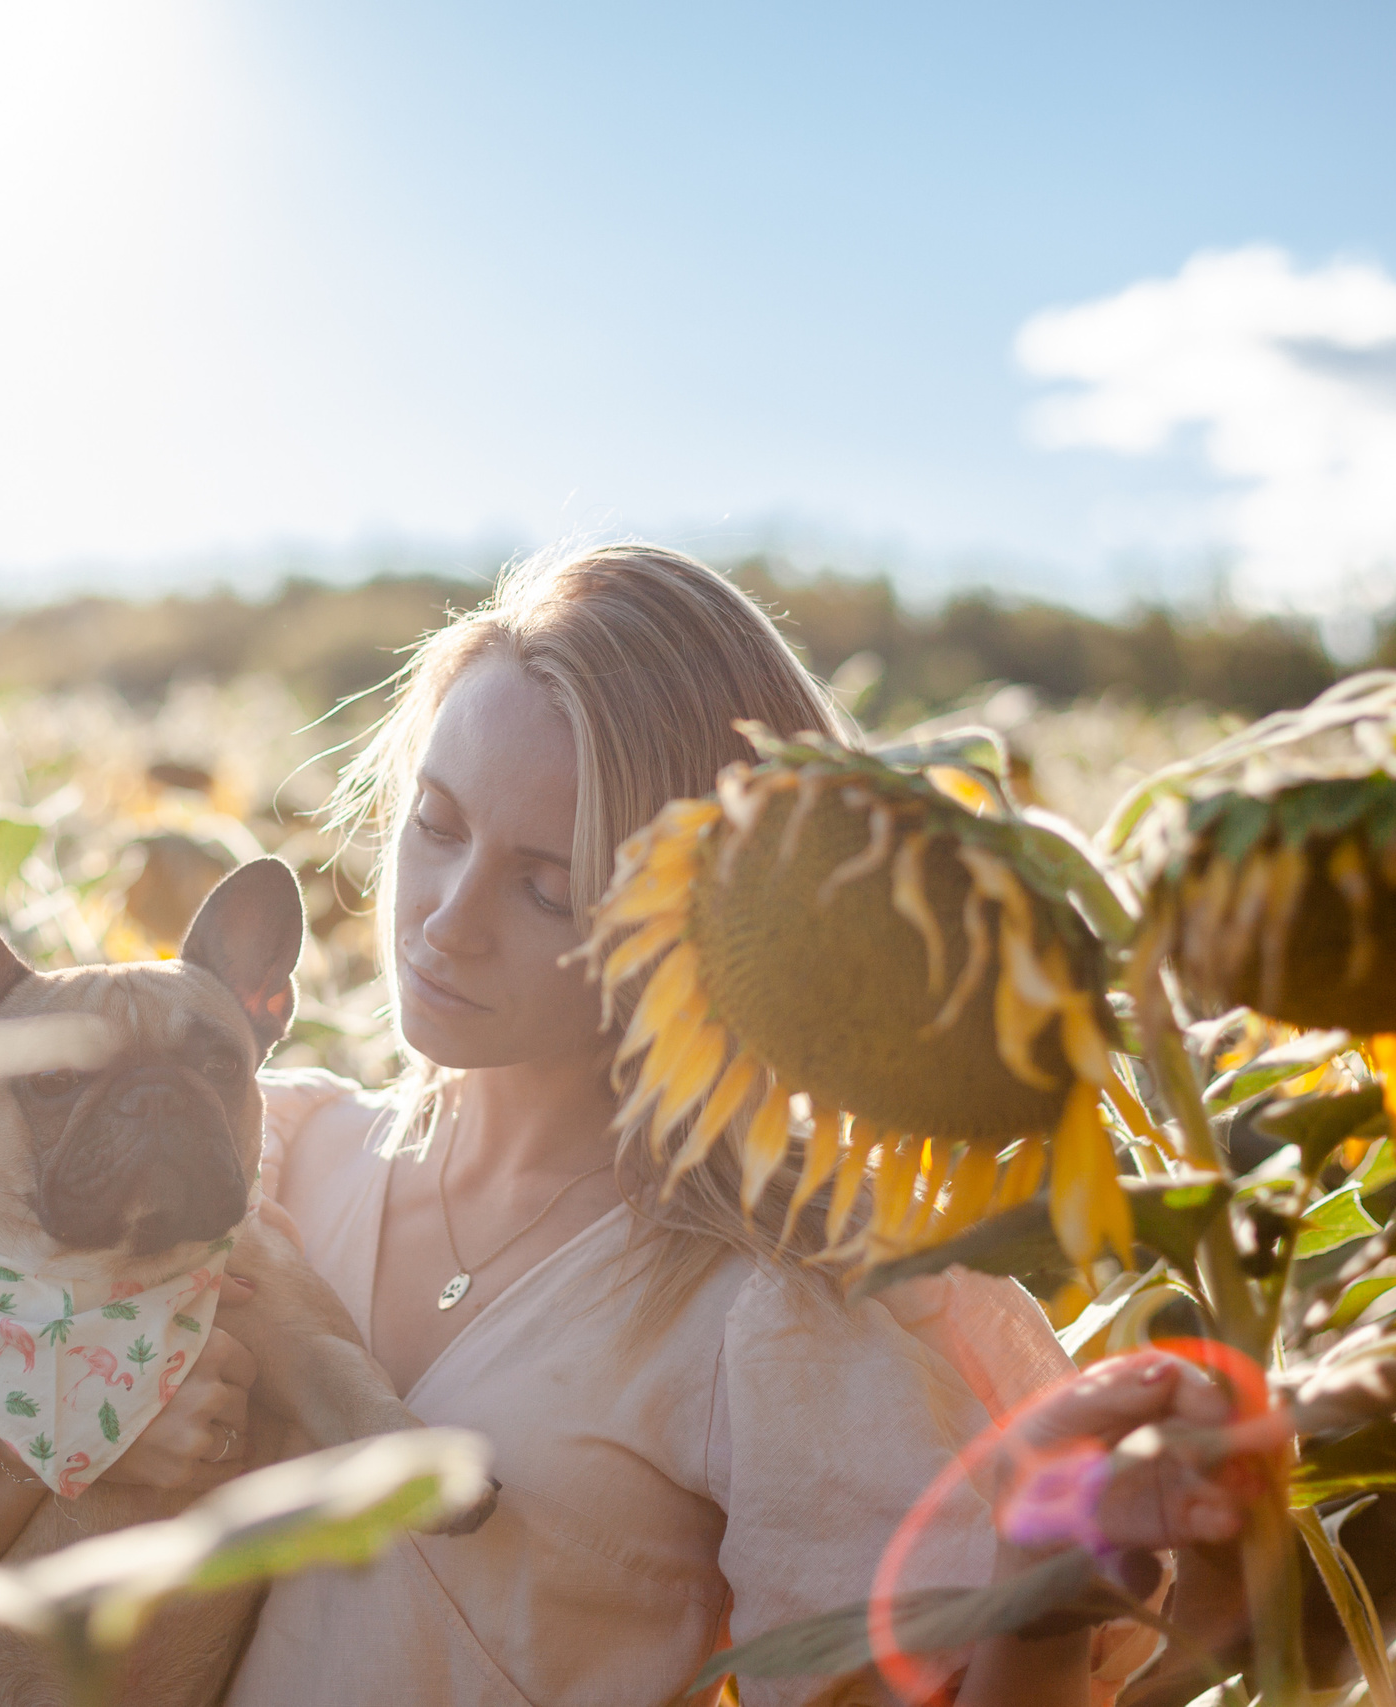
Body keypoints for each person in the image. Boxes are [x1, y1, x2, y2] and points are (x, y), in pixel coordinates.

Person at [133, 543, 1246, 1706]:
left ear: (701, 927)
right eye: (438, 823)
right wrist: (93, 1422)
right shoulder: (278, 1157)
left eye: (547, 886)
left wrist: (1044, 1590)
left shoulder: (753, 1309)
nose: (447, 922)